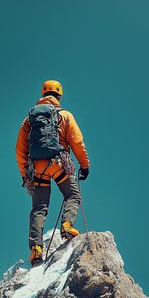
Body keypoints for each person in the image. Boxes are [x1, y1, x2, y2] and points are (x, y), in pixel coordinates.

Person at [16, 80, 90, 266]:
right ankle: (67, 225)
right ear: (59, 96)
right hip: (58, 164)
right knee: (72, 194)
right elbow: (77, 141)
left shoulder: (29, 120)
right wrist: (84, 165)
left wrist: (25, 174)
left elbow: (20, 149)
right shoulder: (65, 115)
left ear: (42, 94)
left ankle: (36, 248)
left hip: (37, 168)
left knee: (39, 207)